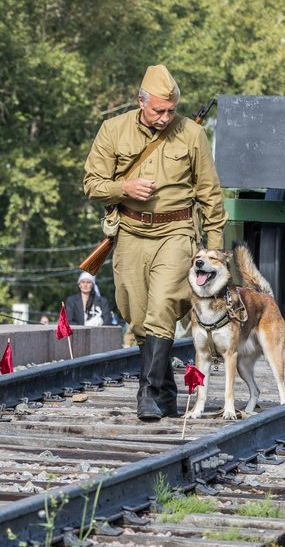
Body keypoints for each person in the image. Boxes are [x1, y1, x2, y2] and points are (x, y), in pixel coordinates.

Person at [83, 64, 226, 421]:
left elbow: (210, 193)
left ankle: (146, 393)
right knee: (136, 314)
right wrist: (124, 188)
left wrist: (215, 249)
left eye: (171, 110)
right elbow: (92, 184)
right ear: (140, 101)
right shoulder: (113, 130)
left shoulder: (192, 134)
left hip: (176, 232)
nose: (165, 117)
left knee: (162, 305)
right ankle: (165, 391)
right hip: (130, 233)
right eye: (158, 110)